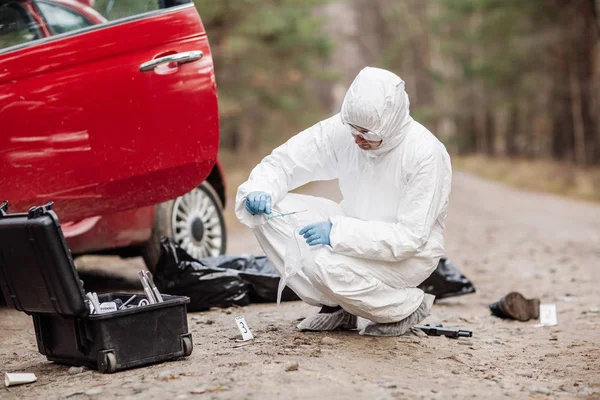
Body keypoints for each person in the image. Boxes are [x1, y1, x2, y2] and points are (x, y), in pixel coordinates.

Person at [235, 67, 452, 336]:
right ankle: (339, 307)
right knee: (271, 211)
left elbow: (409, 237)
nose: (357, 139)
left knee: (325, 264)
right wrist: (261, 188)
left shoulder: (425, 154)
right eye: (353, 129)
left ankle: (404, 307)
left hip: (408, 255)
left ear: (392, 122)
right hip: (352, 226)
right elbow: (287, 161)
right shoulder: (346, 129)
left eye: (368, 133)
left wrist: (337, 232)